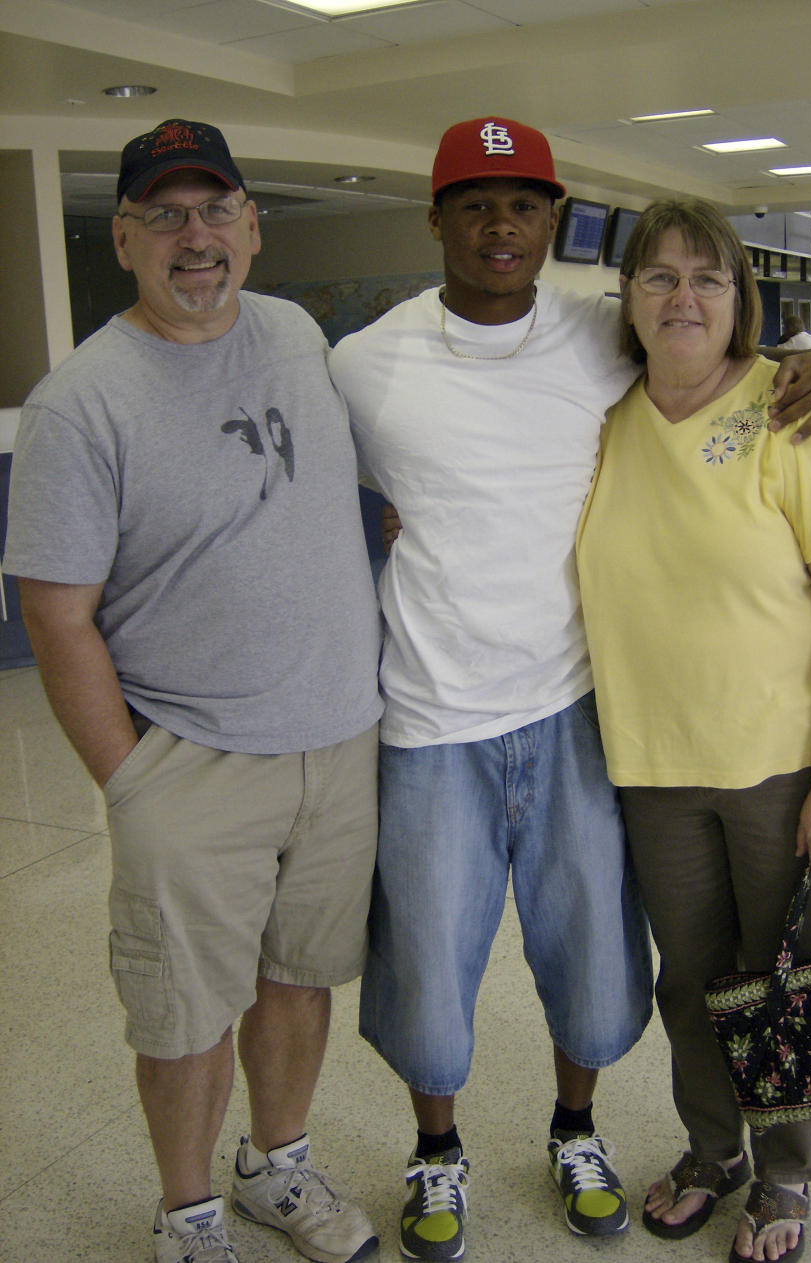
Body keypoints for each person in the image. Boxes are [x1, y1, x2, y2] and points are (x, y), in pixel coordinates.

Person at [328, 116, 811, 1262]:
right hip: (428, 718)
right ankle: (438, 1154)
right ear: (437, 221)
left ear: (554, 223)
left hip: (576, 714)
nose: (501, 223)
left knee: (597, 962)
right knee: (425, 967)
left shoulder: (592, 336)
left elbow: (708, 341)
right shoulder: (364, 365)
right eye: (475, 202)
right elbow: (327, 492)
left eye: (524, 203)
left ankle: (579, 1131)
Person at [3, 119, 383, 1263]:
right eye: (163, 215)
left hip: (338, 744)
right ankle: (188, 1215)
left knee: (299, 981)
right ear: (123, 238)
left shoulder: (297, 335)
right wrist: (134, 782)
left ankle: (277, 1169)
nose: (195, 236)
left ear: (254, 229)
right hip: (191, 760)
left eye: (215, 209)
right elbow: (54, 612)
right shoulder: (85, 400)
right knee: (182, 1015)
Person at [577, 197, 811, 1263]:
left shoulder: (794, 410)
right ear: (625, 299)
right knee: (697, 979)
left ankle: (790, 1173)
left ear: (741, 299)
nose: (683, 298)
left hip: (786, 765)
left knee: (794, 973)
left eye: (707, 278)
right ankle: (715, 1152)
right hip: (657, 768)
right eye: (659, 277)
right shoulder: (607, 423)